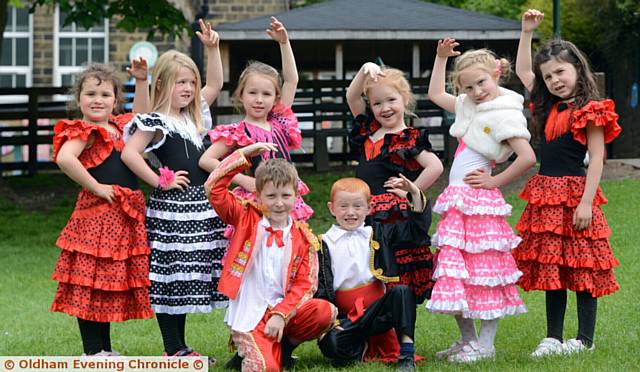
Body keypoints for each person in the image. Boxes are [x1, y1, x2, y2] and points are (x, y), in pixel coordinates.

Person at [513, 9, 621, 357]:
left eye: (560, 71)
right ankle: (553, 338)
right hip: (545, 194)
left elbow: (598, 158)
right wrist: (527, 33)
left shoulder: (591, 109)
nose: (555, 80)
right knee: (553, 266)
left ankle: (584, 341)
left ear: (577, 68)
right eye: (549, 76)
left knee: (581, 264)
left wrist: (587, 202)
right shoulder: (545, 106)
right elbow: (522, 71)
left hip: (575, 194)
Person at [425, 39, 537, 363]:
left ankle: (486, 345)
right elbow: (435, 95)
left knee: (483, 273)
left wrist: (494, 181)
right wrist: (440, 58)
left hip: (479, 202)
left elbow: (527, 156)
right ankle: (468, 340)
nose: (476, 91)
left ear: (497, 73)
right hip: (459, 202)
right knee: (457, 271)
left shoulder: (504, 113)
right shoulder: (470, 106)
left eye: (481, 82)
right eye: (469, 87)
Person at [121, 19, 226, 357]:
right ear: (164, 82)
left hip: (202, 207)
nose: (188, 89)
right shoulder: (155, 121)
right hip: (173, 210)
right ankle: (174, 348)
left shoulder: (196, 118)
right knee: (173, 277)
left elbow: (217, 83)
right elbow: (129, 153)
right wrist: (159, 180)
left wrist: (211, 49)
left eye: (192, 83)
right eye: (181, 82)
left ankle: (180, 347)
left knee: (191, 276)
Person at [204, 142, 336, 372]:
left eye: (285, 195)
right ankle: (255, 347)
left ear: (296, 195)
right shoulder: (245, 216)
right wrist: (242, 155)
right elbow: (213, 188)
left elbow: (306, 284)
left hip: (282, 311)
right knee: (267, 368)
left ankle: (282, 348)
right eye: (271, 195)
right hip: (252, 312)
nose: (278, 203)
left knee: (324, 312)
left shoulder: (303, 237)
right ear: (258, 195)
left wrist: (280, 314)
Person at [51, 63, 153, 356]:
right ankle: (92, 351)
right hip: (96, 216)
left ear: (116, 99)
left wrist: (142, 81)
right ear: (78, 98)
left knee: (105, 284)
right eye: (90, 93)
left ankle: (103, 351)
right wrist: (95, 186)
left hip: (121, 217)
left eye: (105, 94)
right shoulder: (84, 130)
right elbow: (65, 159)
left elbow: (142, 117)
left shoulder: (120, 127)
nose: (98, 99)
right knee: (89, 282)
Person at [199, 17, 312, 230]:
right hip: (255, 201)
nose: (259, 99)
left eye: (266, 94)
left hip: (285, 198)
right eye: (252, 93)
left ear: (276, 98)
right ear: (241, 95)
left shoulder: (280, 121)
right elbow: (207, 160)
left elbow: (291, 80)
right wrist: (242, 180)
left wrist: (284, 43)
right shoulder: (238, 132)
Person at [346, 62, 444, 304]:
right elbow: (351, 95)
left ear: (404, 99)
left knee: (395, 273)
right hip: (365, 212)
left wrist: (411, 190)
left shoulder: (407, 139)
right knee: (367, 271)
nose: (385, 108)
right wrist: (364, 69)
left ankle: (402, 333)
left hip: (392, 218)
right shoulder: (368, 131)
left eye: (391, 100)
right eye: (377, 103)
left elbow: (435, 166)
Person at [315, 177, 428, 371]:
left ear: (369, 208)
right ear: (332, 208)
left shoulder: (378, 233)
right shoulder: (322, 243)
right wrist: (332, 322)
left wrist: (415, 193)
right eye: (343, 206)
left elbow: (415, 231)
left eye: (358, 206)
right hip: (347, 319)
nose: (350, 212)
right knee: (331, 344)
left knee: (401, 291)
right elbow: (321, 289)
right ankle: (361, 347)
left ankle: (406, 354)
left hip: (379, 313)